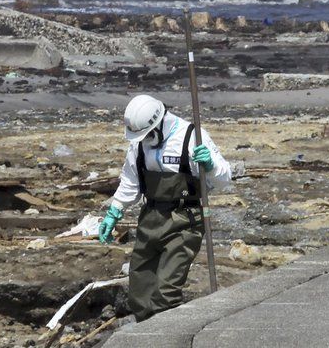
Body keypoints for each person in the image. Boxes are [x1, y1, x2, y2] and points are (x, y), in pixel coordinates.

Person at [98, 94, 232, 321]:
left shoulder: (191, 137)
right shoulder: (139, 144)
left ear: (158, 123)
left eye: (148, 134)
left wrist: (209, 165)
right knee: (140, 288)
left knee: (166, 293)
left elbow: (223, 178)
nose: (145, 139)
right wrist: (114, 211)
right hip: (150, 218)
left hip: (184, 221)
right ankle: (146, 334)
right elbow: (131, 180)